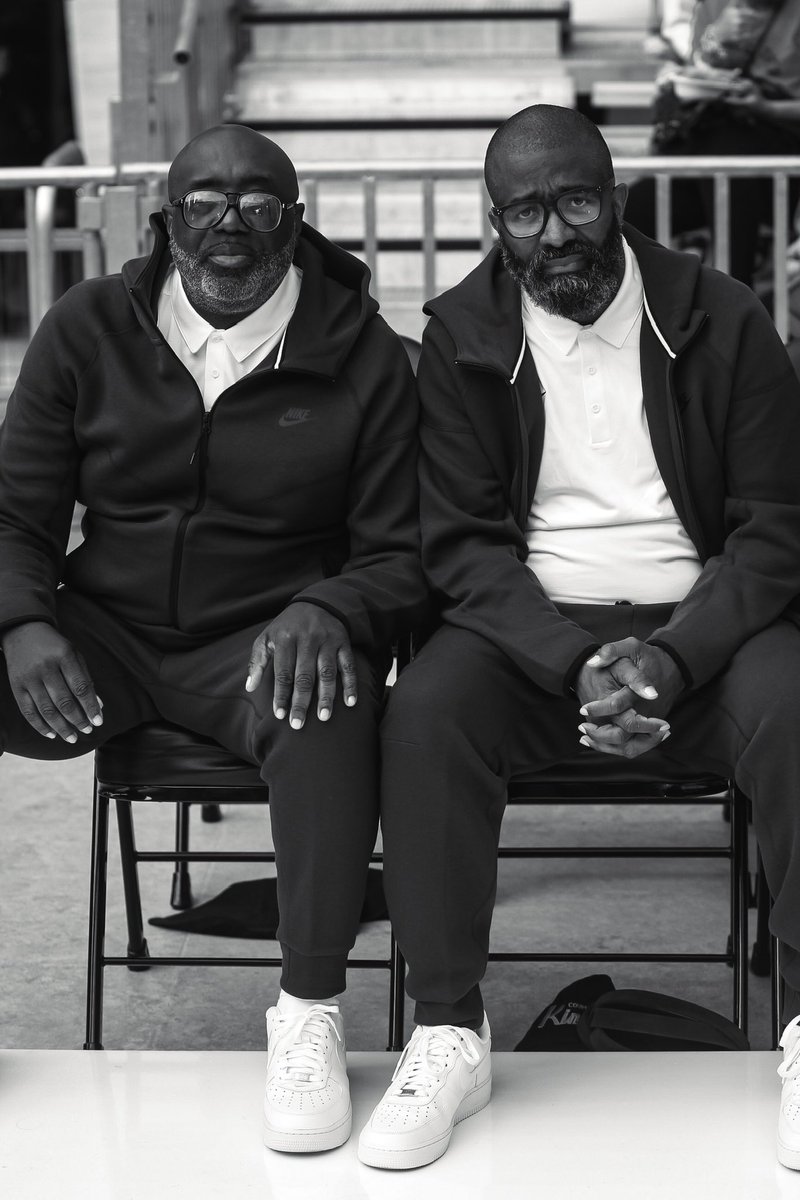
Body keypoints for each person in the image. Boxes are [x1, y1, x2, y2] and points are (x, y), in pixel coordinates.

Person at [359, 103, 800, 1172]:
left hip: (705, 625)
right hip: (532, 637)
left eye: (573, 201)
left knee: (796, 705)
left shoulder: (722, 317)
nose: (553, 233)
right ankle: (447, 1026)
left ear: (615, 197)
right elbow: (460, 546)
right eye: (523, 212)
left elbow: (775, 526)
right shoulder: (459, 339)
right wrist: (574, 659)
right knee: (424, 712)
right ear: (493, 220)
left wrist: (671, 654)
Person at [0, 123, 425, 1154]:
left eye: (256, 204)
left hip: (267, 640)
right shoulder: (88, 327)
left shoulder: (364, 357)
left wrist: (331, 609)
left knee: (332, 707)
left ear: (293, 220)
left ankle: (310, 1014)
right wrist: (22, 620)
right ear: (166, 219)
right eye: (203, 204)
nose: (228, 227)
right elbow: (16, 512)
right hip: (101, 636)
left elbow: (401, 551)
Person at [623, 0, 800, 291]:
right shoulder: (714, 6)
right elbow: (697, 72)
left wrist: (767, 107)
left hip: (775, 156)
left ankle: (734, 300)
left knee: (725, 153)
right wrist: (717, 41)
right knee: (624, 220)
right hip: (708, 150)